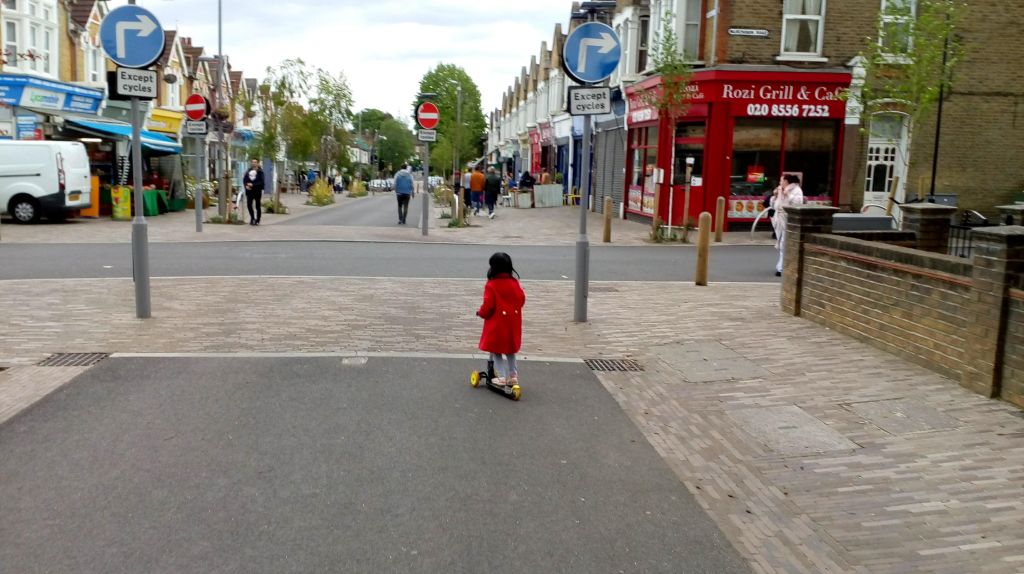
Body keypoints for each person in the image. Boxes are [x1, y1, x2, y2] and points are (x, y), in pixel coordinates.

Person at [476, 252, 526, 387]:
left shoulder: (491, 285)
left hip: (497, 324)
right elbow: (521, 299)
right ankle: (513, 375)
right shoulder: (514, 282)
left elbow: (488, 306)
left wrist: (480, 313)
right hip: (513, 323)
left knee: (496, 349)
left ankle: (502, 376)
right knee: (510, 350)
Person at [770, 173, 805, 276]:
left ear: (786, 181)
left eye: (781, 181)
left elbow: (798, 203)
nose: (780, 183)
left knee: (784, 243)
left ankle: (780, 268)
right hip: (779, 219)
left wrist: (788, 195)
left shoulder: (797, 190)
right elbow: (774, 205)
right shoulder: (780, 189)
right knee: (782, 243)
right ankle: (786, 265)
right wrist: (775, 196)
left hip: (789, 220)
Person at [242, 158, 265, 226]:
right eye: (252, 162)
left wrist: (253, 185)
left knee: (257, 206)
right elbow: (245, 179)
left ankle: (258, 220)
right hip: (250, 191)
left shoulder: (260, 172)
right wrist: (246, 185)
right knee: (249, 205)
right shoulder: (248, 171)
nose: (253, 163)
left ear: (258, 163)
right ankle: (252, 218)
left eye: (255, 162)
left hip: (257, 191)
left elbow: (261, 182)